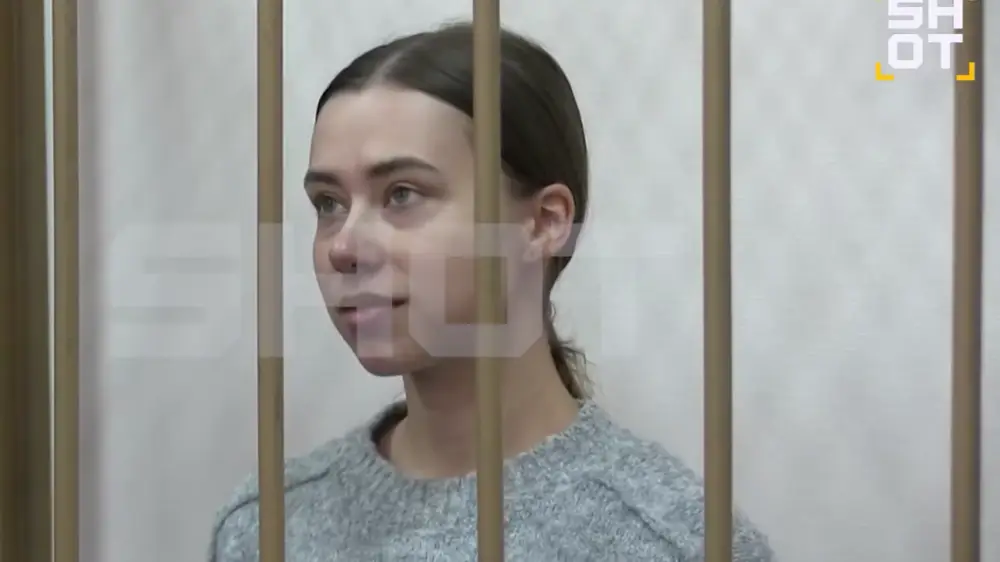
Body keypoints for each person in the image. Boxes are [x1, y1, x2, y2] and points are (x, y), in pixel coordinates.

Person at [208, 21, 775, 562]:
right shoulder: (268, 526)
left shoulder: (676, 542)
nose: (343, 246)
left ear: (544, 223)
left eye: (402, 194)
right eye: (329, 203)